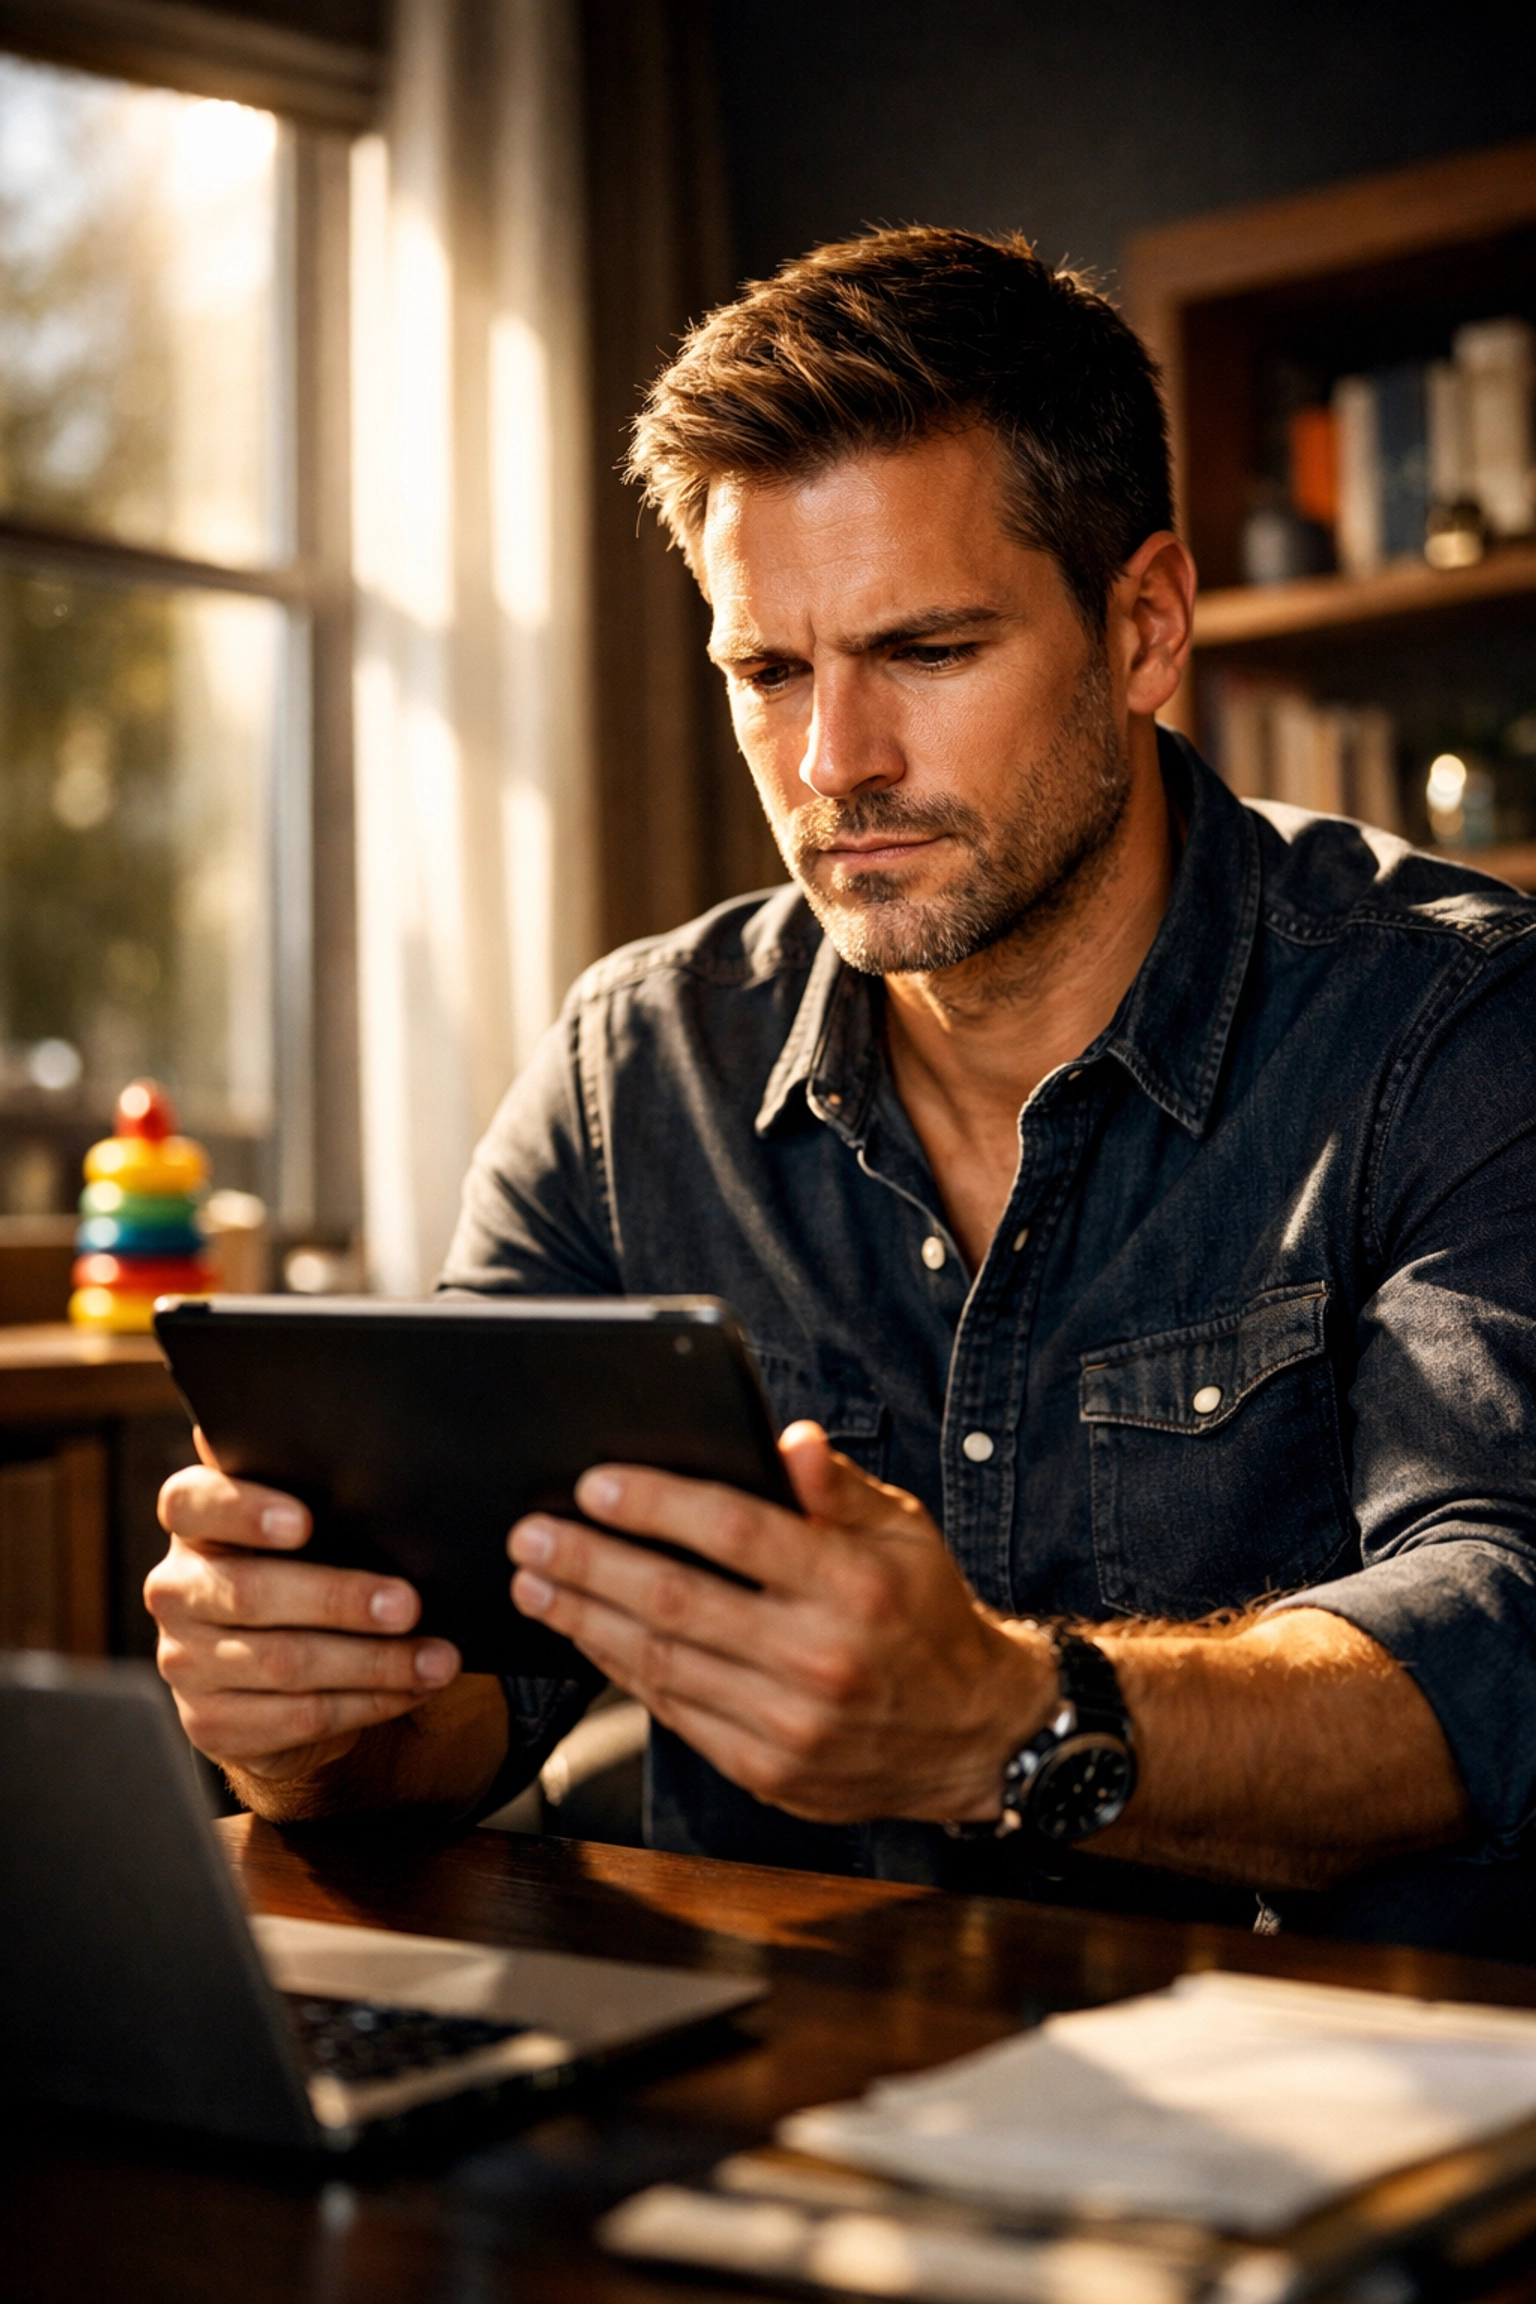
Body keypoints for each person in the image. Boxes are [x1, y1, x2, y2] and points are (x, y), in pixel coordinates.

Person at [148, 228, 1536, 1952]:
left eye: (927, 651)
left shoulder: (1458, 1019)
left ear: (1146, 625)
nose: (833, 768)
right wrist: (305, 1711)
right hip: (774, 2098)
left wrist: (1016, 1723)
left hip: (1338, 2107)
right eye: (770, 671)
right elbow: (467, 1693)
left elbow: (1505, 1634)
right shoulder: (630, 1071)